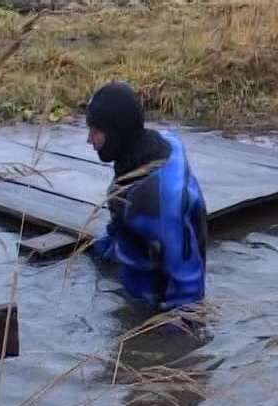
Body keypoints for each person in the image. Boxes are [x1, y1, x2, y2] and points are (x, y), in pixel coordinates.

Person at [86, 80, 208, 311]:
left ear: (116, 133)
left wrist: (170, 340)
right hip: (132, 258)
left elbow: (189, 287)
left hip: (151, 307)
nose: (88, 139)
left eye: (95, 131)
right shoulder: (158, 144)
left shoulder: (159, 201)